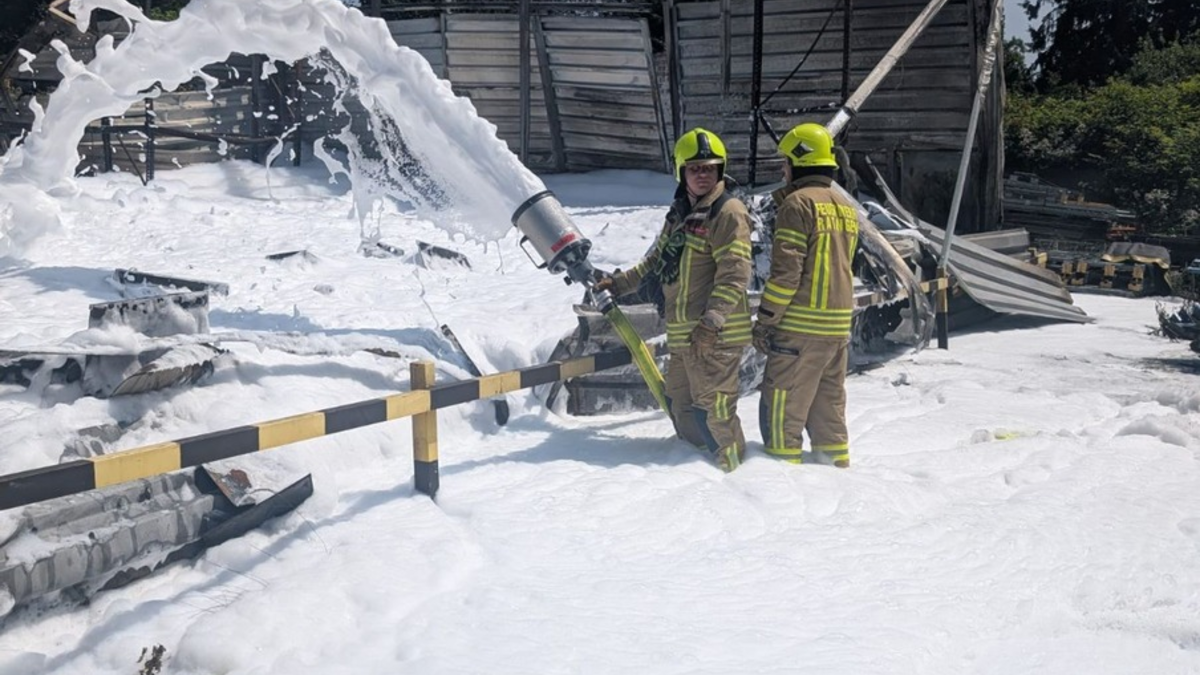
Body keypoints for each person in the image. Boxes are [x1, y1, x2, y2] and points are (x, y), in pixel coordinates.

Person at [595, 128, 753, 472]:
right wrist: (619, 284)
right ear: (681, 171)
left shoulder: (728, 212)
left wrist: (711, 323)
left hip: (714, 336)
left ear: (720, 170)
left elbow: (735, 273)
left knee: (714, 409)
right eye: (694, 169)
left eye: (709, 168)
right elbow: (656, 262)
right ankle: (696, 470)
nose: (702, 175)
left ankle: (736, 475)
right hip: (685, 335)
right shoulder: (682, 212)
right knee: (681, 405)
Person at [752, 123, 858, 468]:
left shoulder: (797, 204)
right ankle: (836, 471)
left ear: (799, 161)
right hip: (837, 329)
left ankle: (782, 483)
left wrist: (766, 321)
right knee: (829, 410)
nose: (783, 170)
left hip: (800, 331)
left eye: (785, 162)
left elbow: (786, 275)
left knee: (782, 415)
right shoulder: (845, 206)